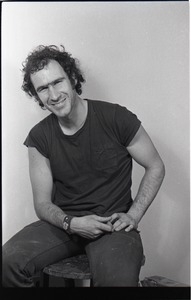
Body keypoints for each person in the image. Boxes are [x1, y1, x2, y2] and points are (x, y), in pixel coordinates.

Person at [2, 45, 165, 287]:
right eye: (43, 88)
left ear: (73, 78)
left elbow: (156, 166)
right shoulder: (39, 137)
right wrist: (71, 222)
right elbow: (42, 203)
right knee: (7, 261)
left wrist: (134, 214)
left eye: (58, 82)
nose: (54, 95)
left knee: (116, 284)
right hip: (65, 225)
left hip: (113, 226)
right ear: (37, 96)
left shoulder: (116, 117)